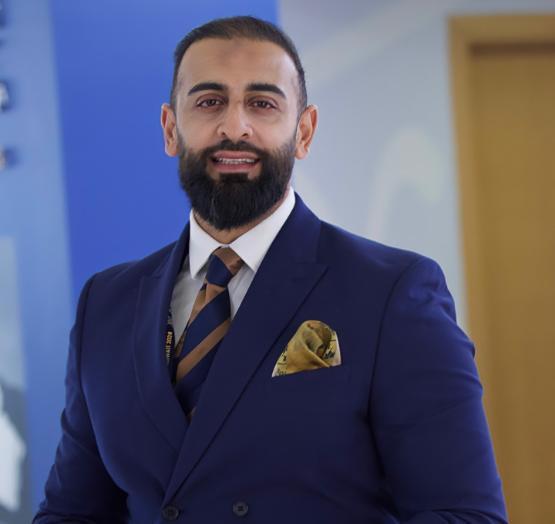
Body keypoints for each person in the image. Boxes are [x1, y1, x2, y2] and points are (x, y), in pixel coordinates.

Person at [34, 16, 507, 524]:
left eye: (262, 104)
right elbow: (71, 513)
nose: (234, 126)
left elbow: (463, 515)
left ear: (303, 131)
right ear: (171, 129)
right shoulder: (107, 303)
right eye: (209, 101)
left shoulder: (392, 292)